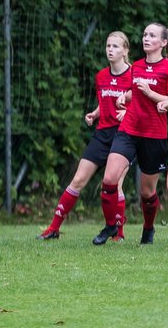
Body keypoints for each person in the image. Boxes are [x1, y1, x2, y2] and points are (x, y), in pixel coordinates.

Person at [39, 31, 131, 241]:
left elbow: (141, 105)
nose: (110, 50)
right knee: (78, 179)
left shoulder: (134, 75)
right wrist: (95, 113)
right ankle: (53, 229)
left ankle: (119, 234)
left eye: (116, 46)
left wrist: (127, 112)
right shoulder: (101, 76)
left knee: (115, 183)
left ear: (125, 50)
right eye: (108, 46)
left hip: (124, 135)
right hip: (102, 134)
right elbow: (105, 101)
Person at [95, 23, 168, 246]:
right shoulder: (137, 66)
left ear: (162, 42)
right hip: (129, 130)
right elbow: (135, 91)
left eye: (152, 35)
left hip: (154, 134)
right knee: (109, 179)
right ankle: (112, 225)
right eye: (144, 34)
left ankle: (148, 229)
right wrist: (126, 98)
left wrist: (153, 95)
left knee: (147, 192)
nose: (146, 38)